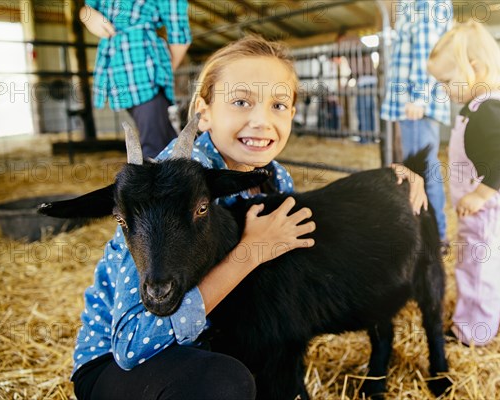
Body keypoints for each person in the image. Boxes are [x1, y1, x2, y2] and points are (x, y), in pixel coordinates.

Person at [71, 36, 428, 400]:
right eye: (241, 102)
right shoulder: (160, 190)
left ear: (292, 114)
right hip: (123, 368)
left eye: (278, 105)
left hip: (215, 339)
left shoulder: (272, 178)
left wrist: (391, 179)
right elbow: (133, 345)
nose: (260, 120)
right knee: (224, 384)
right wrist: (251, 252)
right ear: (203, 111)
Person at [427, 20, 500, 346]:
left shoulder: (490, 109)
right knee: (472, 264)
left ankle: (472, 334)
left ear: (475, 67)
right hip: (479, 208)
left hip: (490, 210)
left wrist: (480, 195)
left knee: (482, 271)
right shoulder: (479, 105)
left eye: (446, 81)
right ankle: (471, 317)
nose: (443, 89)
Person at [380, 0, 452, 246]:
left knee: (422, 170)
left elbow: (427, 51)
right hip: (412, 103)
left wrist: (419, 97)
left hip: (416, 103)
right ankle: (432, 233)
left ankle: (436, 236)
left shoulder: (425, 2)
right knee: (419, 168)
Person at [80, 0, 191, 158]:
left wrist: (164, 70)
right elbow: (87, 8)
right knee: (164, 140)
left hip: (143, 71)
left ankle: (157, 177)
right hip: (116, 70)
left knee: (154, 147)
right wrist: (88, 16)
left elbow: (180, 36)